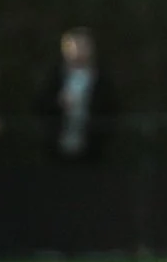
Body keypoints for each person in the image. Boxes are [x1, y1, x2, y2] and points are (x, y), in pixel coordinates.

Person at [36, 29, 118, 163]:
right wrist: (58, 102)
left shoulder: (101, 78)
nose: (77, 51)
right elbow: (40, 105)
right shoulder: (55, 77)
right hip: (56, 149)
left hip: (93, 150)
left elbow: (111, 108)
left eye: (83, 46)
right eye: (73, 46)